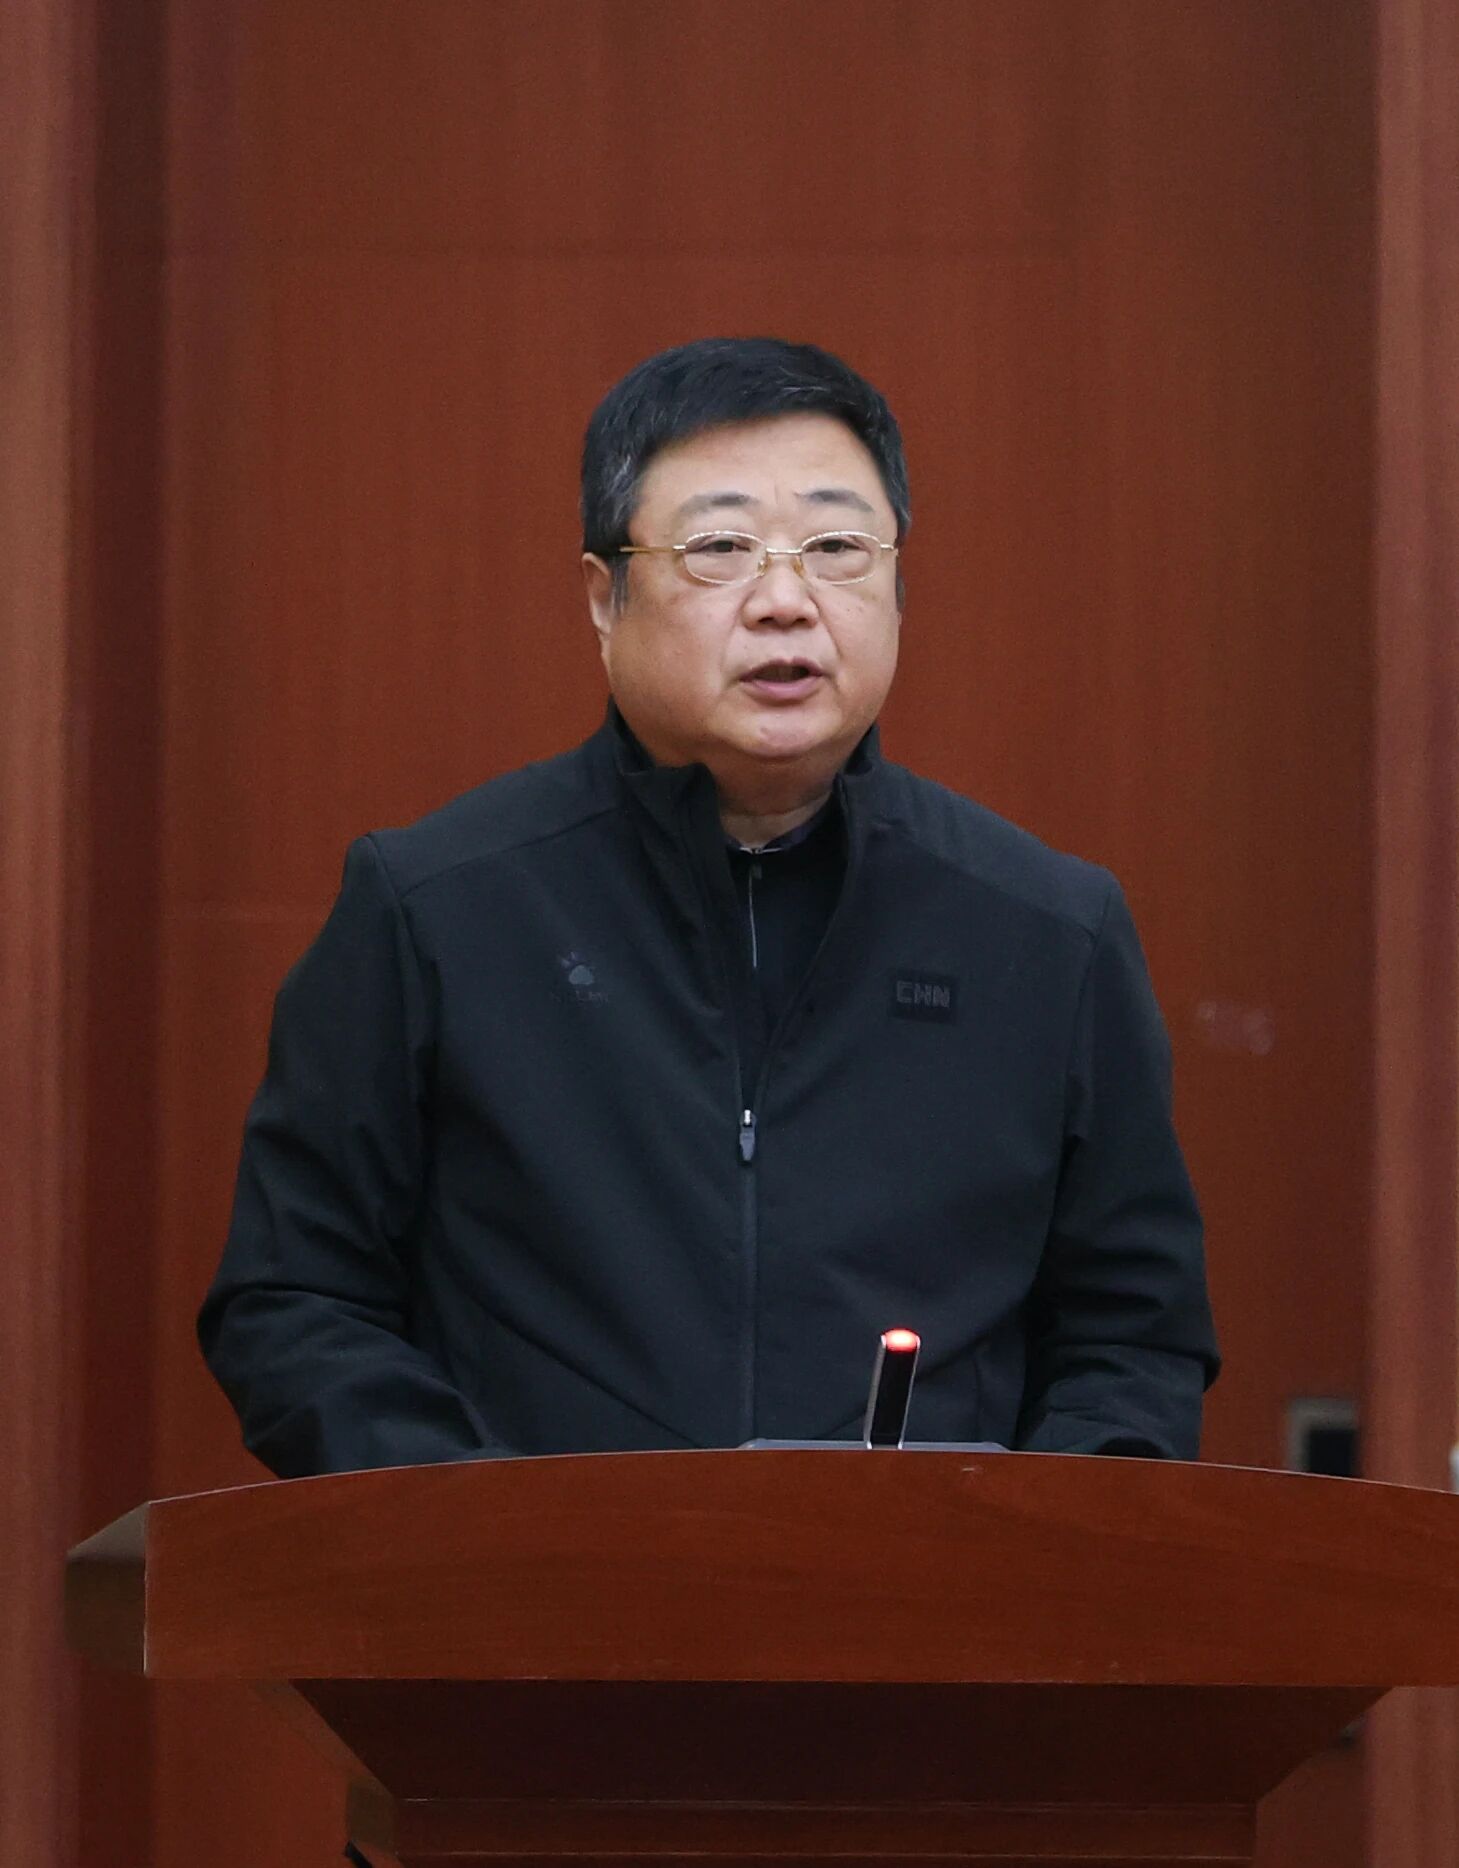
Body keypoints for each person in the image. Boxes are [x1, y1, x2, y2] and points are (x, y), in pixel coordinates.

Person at [198, 336, 1218, 1476]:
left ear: (896, 584)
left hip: (929, 1588)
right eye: (720, 549)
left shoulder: (1046, 929)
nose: (785, 603)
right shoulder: (435, 907)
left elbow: (1134, 1339)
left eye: (837, 548)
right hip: (528, 1581)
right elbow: (295, 1300)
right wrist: (486, 1529)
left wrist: (1009, 1545)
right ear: (605, 597)